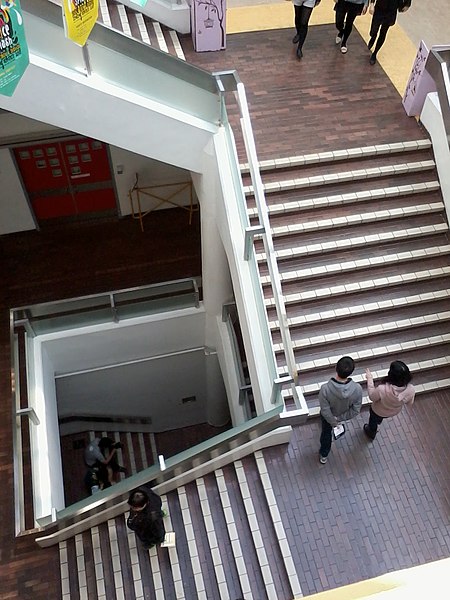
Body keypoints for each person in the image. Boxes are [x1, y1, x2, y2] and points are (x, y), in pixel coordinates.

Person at [319, 356, 363, 464]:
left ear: (336, 368)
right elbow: (355, 410)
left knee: (326, 433)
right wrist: (339, 419)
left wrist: (333, 422)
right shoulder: (357, 389)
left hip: (328, 418)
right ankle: (324, 455)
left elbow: (325, 410)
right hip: (341, 415)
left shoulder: (325, 389)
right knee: (327, 433)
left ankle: (324, 454)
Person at [363, 360, 415, 439]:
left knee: (373, 420)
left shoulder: (382, 389)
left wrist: (369, 379)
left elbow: (372, 397)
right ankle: (378, 422)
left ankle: (371, 431)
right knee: (379, 418)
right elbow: (409, 403)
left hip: (377, 410)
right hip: (392, 412)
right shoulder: (410, 389)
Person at [367, 0, 412, 65]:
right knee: (374, 29)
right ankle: (373, 37)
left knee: (383, 32)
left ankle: (375, 53)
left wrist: (407, 4)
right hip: (380, 7)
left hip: (392, 10)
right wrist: (372, 3)